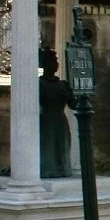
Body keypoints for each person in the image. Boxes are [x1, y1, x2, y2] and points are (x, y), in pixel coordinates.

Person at [39, 48, 74, 179]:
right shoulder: (40, 83)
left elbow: (74, 105)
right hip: (47, 119)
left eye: (56, 61)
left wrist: (70, 94)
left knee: (62, 145)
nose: (55, 64)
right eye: (51, 61)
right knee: (48, 146)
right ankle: (49, 169)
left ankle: (62, 168)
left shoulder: (63, 84)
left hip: (60, 119)